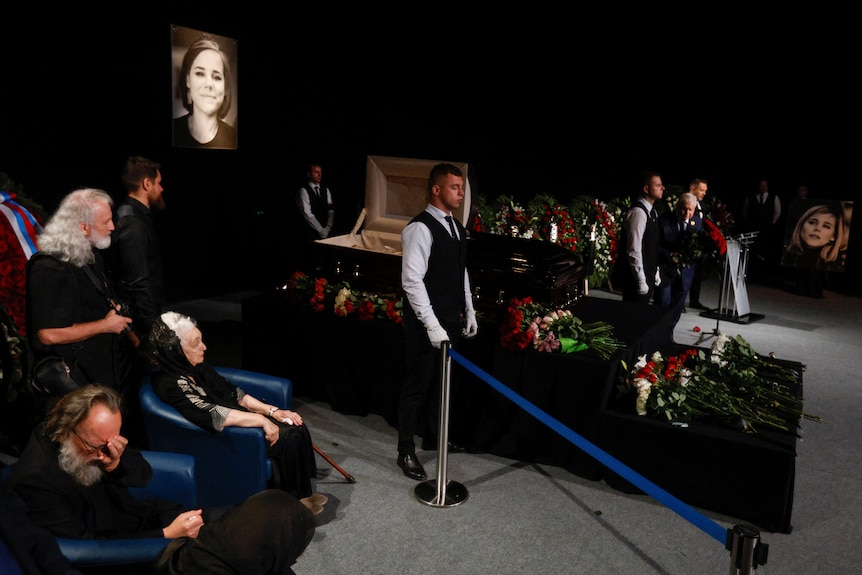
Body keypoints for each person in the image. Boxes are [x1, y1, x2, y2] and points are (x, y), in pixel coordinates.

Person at [8, 384, 315, 575]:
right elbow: (87, 545)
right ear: (66, 430)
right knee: (252, 544)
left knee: (254, 522)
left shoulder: (95, 440)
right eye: (98, 446)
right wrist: (167, 533)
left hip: (147, 518)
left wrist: (115, 465)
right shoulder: (36, 480)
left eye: (115, 439)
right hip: (132, 554)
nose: (108, 449)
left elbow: (143, 475)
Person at [144, 311, 327, 515]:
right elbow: (211, 414)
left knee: (294, 424)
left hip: (237, 418)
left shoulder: (198, 368)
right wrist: (261, 421)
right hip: (221, 437)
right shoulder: (171, 383)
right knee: (289, 436)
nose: (204, 347)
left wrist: (273, 411)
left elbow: (234, 393)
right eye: (196, 343)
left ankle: (301, 491)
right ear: (175, 351)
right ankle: (292, 503)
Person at [396, 162, 478, 481]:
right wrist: (432, 325)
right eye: (455, 187)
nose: (460, 193)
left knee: (442, 386)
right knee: (416, 387)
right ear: (436, 190)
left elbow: (461, 271)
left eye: (461, 187)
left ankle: (434, 436)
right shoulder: (420, 228)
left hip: (450, 322)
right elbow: (412, 281)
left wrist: (469, 309)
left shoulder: (456, 228)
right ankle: (405, 450)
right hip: (424, 326)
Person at [26, 188, 136, 394]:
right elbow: (48, 334)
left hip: (99, 374)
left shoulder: (88, 255)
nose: (113, 227)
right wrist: (105, 325)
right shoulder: (50, 269)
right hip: (76, 384)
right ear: (84, 227)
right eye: (106, 222)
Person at [106, 156, 167, 341]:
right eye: (159, 183)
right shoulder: (132, 223)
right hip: (136, 322)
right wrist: (152, 329)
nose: (161, 189)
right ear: (147, 184)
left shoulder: (136, 219)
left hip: (140, 316)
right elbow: (137, 281)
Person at [172, 35, 237, 149]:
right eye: (200, 74)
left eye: (216, 77)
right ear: (188, 80)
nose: (209, 84)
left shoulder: (235, 137)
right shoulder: (174, 130)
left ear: (225, 87)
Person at [655, 193, 703, 340]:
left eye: (690, 210)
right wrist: (669, 255)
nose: (687, 214)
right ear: (677, 206)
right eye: (683, 209)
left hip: (685, 274)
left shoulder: (696, 223)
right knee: (662, 305)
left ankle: (668, 334)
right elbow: (654, 246)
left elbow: (700, 245)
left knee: (676, 308)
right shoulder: (663, 220)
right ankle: (657, 335)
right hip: (666, 271)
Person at [612, 171, 664, 304]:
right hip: (636, 278)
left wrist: (655, 269)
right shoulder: (638, 213)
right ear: (646, 189)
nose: (662, 188)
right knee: (632, 317)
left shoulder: (652, 213)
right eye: (658, 185)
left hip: (648, 274)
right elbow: (634, 249)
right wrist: (640, 279)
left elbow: (652, 245)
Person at [782, 202, 847, 292]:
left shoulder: (836, 263)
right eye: (812, 222)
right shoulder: (786, 254)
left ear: (833, 236)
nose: (817, 228)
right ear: (801, 225)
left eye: (826, 226)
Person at [741, 179, 782, 282]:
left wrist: (770, 223)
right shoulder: (751, 197)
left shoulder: (774, 197)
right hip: (753, 229)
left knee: (765, 252)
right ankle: (750, 275)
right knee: (752, 251)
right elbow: (745, 212)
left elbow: (777, 212)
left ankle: (763, 276)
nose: (763, 188)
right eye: (761, 185)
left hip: (766, 230)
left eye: (765, 186)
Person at [687, 178, 710, 310]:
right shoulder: (685, 202)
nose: (704, 193)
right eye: (701, 190)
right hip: (688, 243)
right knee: (685, 274)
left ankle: (695, 300)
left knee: (697, 273)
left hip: (699, 245)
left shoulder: (703, 205)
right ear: (693, 188)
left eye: (705, 191)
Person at [296, 163, 335, 240]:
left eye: (320, 172)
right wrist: (320, 230)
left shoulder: (326, 190)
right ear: (309, 174)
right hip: (310, 232)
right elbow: (307, 213)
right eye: (316, 172)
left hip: (326, 231)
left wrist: (328, 227)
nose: (319, 175)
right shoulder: (304, 190)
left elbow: (331, 210)